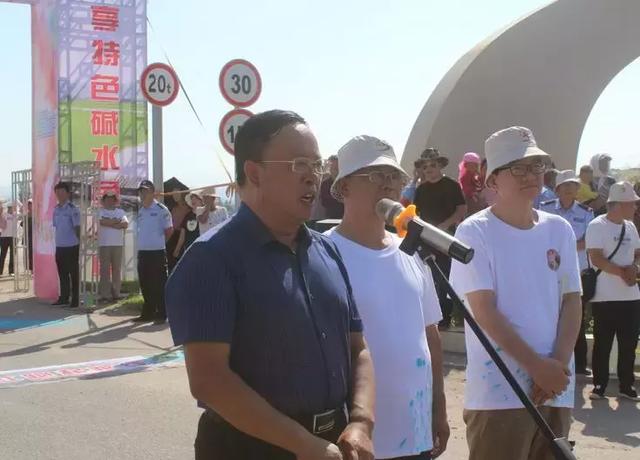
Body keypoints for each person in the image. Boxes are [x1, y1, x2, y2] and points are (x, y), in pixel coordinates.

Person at [166, 110, 375, 460]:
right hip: (249, 447)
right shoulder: (211, 259)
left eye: (317, 164)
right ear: (254, 173)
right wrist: (303, 445)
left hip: (333, 445)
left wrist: (361, 422)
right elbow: (209, 380)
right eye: (298, 164)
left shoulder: (327, 252)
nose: (313, 176)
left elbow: (359, 349)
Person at [450, 126, 582, 460]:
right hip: (499, 394)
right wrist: (536, 367)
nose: (530, 176)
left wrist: (557, 366)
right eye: (518, 168)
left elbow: (571, 300)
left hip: (555, 388)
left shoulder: (559, 229)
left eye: (537, 167)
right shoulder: (474, 231)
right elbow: (484, 312)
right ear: (492, 180)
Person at [327, 135, 449, 459]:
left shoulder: (411, 250)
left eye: (394, 177)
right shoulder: (323, 254)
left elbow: (430, 336)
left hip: (416, 435)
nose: (388, 185)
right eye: (375, 175)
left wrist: (439, 409)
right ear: (344, 188)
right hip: (357, 441)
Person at [585, 181, 640, 401]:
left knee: (629, 342)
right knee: (603, 343)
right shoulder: (597, 225)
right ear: (618, 204)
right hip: (605, 296)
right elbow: (596, 257)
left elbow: (637, 252)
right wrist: (622, 272)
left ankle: (626, 385)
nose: (635, 207)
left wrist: (634, 267)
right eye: (632, 203)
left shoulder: (631, 226)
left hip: (631, 296)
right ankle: (600, 385)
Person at [540, 170, 595, 375]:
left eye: (573, 185)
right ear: (558, 189)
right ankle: (548, 357)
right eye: (566, 185)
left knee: (574, 316)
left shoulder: (585, 212)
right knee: (550, 314)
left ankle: (578, 363)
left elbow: (588, 240)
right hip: (548, 270)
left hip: (576, 271)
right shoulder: (545, 209)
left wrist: (564, 247)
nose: (570, 189)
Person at [413, 148, 466, 329]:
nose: (428, 169)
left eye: (432, 165)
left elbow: (461, 209)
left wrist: (444, 226)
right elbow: (416, 212)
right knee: (429, 277)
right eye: (425, 166)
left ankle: (447, 318)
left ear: (440, 166)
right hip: (427, 239)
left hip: (447, 239)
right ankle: (432, 319)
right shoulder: (421, 189)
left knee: (447, 277)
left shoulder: (451, 185)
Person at [135, 180, 173, 324]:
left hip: (156, 252)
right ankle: (148, 312)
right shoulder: (141, 210)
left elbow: (169, 231)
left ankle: (162, 313)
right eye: (141, 191)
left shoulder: (161, 209)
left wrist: (159, 244)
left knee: (158, 284)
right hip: (143, 252)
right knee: (145, 283)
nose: (142, 194)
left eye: (145, 191)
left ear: (152, 193)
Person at [52, 182, 81, 308]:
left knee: (73, 273)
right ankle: (64, 297)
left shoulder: (72, 209)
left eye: (62, 192)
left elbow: (77, 227)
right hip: (59, 246)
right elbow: (56, 226)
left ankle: (75, 299)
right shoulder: (56, 209)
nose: (59, 195)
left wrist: (80, 243)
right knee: (62, 273)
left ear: (68, 193)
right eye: (57, 193)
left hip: (71, 246)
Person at [98, 191, 128, 302]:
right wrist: (115, 222)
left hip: (117, 244)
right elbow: (101, 222)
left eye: (112, 199)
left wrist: (111, 223)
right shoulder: (100, 211)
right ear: (103, 201)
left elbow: (125, 224)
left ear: (115, 201)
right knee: (104, 270)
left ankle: (116, 293)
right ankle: (105, 294)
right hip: (104, 244)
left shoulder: (120, 211)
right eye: (107, 199)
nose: (110, 201)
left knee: (117, 269)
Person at [172, 192, 201, 264]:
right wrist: (177, 249)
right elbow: (183, 233)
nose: (193, 200)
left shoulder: (206, 214)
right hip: (189, 250)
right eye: (192, 198)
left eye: (196, 198)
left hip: (202, 249)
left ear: (201, 200)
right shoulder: (188, 215)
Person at [319, 155, 344, 219]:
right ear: (330, 169)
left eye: (338, 168)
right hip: (331, 218)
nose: (337, 171)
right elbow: (325, 202)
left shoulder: (348, 183)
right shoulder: (325, 184)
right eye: (334, 168)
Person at [0, 203, 15, 276]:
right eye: (9, 208)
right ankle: (0, 271)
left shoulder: (16, 214)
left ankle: (11, 271)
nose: (10, 209)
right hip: (4, 237)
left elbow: (23, 210)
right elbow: (2, 226)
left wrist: (16, 201)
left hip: (13, 237)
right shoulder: (4, 215)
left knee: (12, 255)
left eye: (11, 207)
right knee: (2, 255)